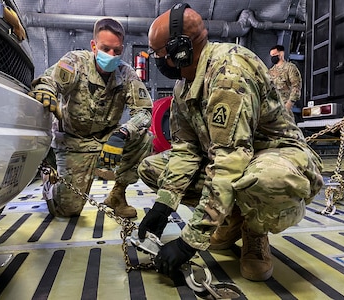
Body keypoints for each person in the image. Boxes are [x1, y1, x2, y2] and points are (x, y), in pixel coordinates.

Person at [136, 3, 324, 283]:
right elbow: (186, 150)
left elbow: (229, 161)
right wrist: (163, 206)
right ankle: (231, 219)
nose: (157, 60)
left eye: (160, 54)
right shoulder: (184, 85)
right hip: (234, 159)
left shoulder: (229, 73)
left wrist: (190, 241)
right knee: (152, 168)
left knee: (266, 180)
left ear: (180, 50)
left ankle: (254, 230)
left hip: (274, 157)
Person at [29, 18, 153, 219]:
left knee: (144, 138)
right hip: (74, 141)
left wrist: (122, 133)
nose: (112, 56)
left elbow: (144, 112)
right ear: (94, 46)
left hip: (107, 140)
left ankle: (117, 196)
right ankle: (50, 178)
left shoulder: (126, 73)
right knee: (68, 210)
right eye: (106, 49)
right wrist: (45, 90)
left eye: (117, 51)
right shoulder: (75, 62)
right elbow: (49, 81)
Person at [268, 44, 302, 119]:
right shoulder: (270, 71)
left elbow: (296, 87)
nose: (272, 57)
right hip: (274, 108)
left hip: (285, 107)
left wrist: (288, 105)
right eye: (271, 55)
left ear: (281, 54)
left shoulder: (290, 68)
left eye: (274, 54)